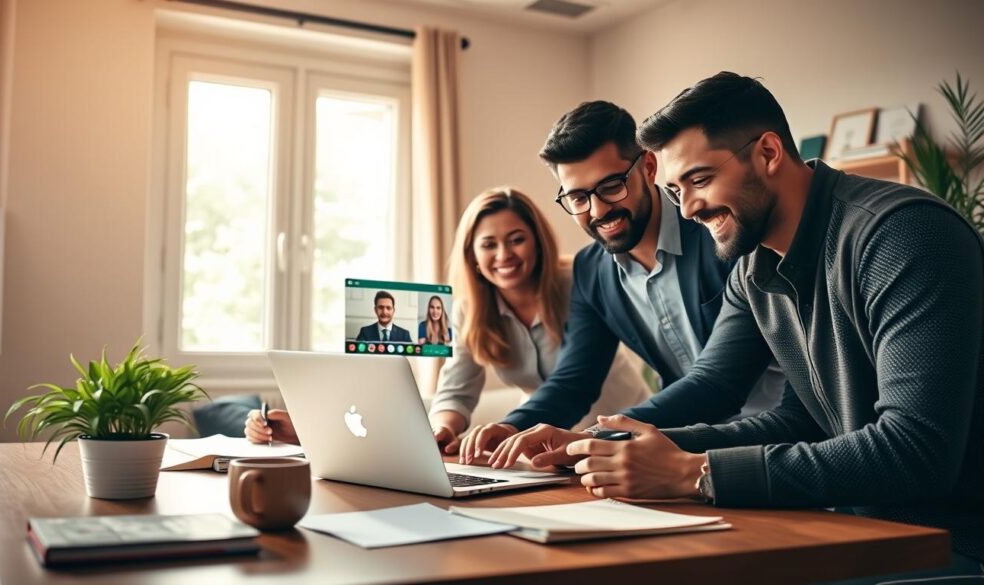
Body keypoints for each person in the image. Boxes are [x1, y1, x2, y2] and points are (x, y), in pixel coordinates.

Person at [497, 73, 984, 579]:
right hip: (863, 528)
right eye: (675, 188)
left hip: (950, 543)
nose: (686, 208)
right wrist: (601, 443)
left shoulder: (904, 235)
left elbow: (917, 448)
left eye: (700, 179)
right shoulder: (757, 267)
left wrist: (697, 474)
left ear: (769, 153)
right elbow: (799, 419)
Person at [459, 100, 786, 465]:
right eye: (578, 198)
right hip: (681, 449)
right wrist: (512, 426)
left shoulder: (716, 231)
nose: (598, 211)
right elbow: (574, 381)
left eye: (611, 186)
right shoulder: (591, 270)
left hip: (778, 442)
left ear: (647, 167)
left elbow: (720, 382)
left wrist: (595, 438)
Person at [245, 187, 650, 452]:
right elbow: (457, 389)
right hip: (541, 445)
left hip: (619, 432)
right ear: (472, 256)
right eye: (488, 244)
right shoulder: (470, 308)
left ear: (538, 241)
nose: (503, 255)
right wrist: (442, 428)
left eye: (516, 239)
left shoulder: (579, 280)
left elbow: (572, 383)